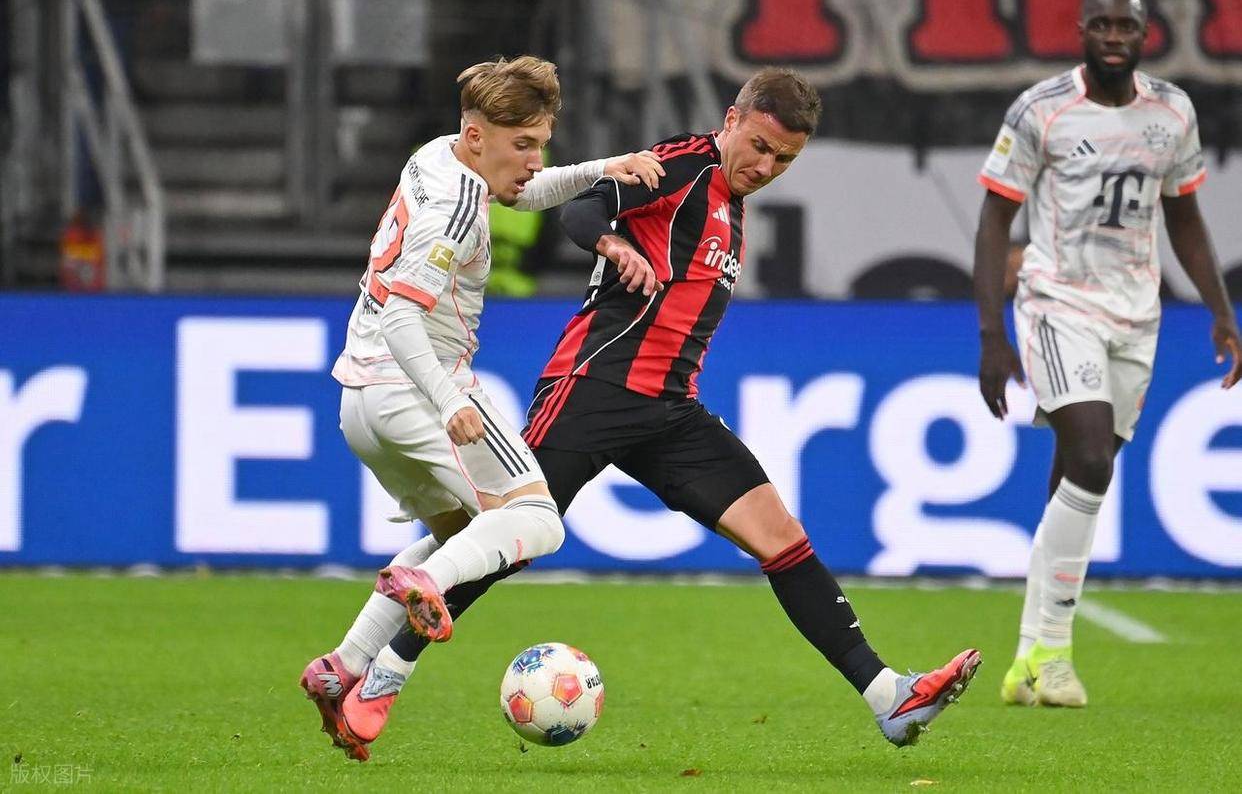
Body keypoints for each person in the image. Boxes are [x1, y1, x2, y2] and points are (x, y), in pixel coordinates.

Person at [362, 67, 981, 751]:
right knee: (507, 540)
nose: (766, 167)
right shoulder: (685, 165)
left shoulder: (731, 200)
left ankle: (888, 696)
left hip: (669, 410)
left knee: (780, 536)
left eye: (784, 160)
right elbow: (581, 210)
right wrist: (612, 242)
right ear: (732, 119)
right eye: (761, 146)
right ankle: (381, 673)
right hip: (594, 388)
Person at [300, 55, 664, 761]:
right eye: (522, 145)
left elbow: (523, 194)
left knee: (469, 534)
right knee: (538, 521)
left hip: (361, 403)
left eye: (540, 144)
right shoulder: (457, 210)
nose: (533, 161)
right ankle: (423, 587)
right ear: (477, 136)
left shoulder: (436, 157)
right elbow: (404, 316)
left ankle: (345, 666)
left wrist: (604, 169)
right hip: (417, 388)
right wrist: (447, 403)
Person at [973, 0, 1241, 709]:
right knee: (1091, 458)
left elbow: (1184, 215)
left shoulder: (1172, 112)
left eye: (1126, 26)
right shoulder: (1041, 109)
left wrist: (1221, 310)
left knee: (1081, 475)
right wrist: (992, 334)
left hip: (1136, 315)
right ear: (1082, 31)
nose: (1114, 37)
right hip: (1059, 303)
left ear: (1145, 33)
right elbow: (995, 218)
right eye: (1101, 25)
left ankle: (1028, 658)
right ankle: (1055, 653)